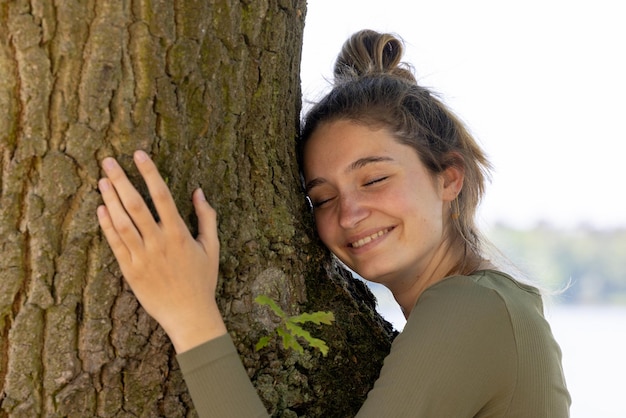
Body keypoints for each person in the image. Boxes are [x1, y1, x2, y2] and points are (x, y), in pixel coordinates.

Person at [97, 29, 571, 417]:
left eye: (374, 178)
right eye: (321, 198)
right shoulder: (486, 306)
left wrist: (189, 316)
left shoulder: (472, 309)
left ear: (448, 177)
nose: (348, 214)